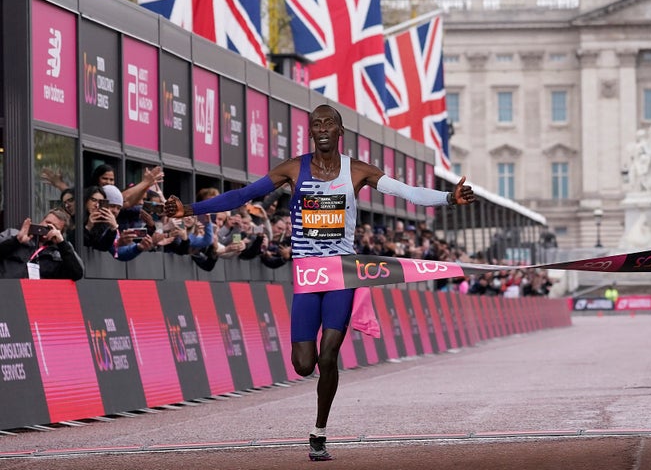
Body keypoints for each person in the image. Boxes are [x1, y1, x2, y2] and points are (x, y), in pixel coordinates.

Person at [163, 103, 475, 461]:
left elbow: (407, 192)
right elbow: (242, 196)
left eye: (329, 122)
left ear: (340, 131)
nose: (322, 127)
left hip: (341, 272)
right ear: (310, 132)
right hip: (308, 276)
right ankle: (316, 404)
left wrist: (448, 197)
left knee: (329, 355)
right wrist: (190, 209)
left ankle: (319, 432)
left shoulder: (357, 171)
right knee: (303, 363)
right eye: (316, 124)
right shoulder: (293, 169)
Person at [0, 208, 84, 281]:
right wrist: (16, 241)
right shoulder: (13, 234)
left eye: (54, 227)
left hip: (36, 295)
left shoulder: (59, 252)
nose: (48, 227)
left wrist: (62, 244)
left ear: (59, 233)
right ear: (41, 221)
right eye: (47, 222)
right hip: (8, 290)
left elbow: (77, 274)